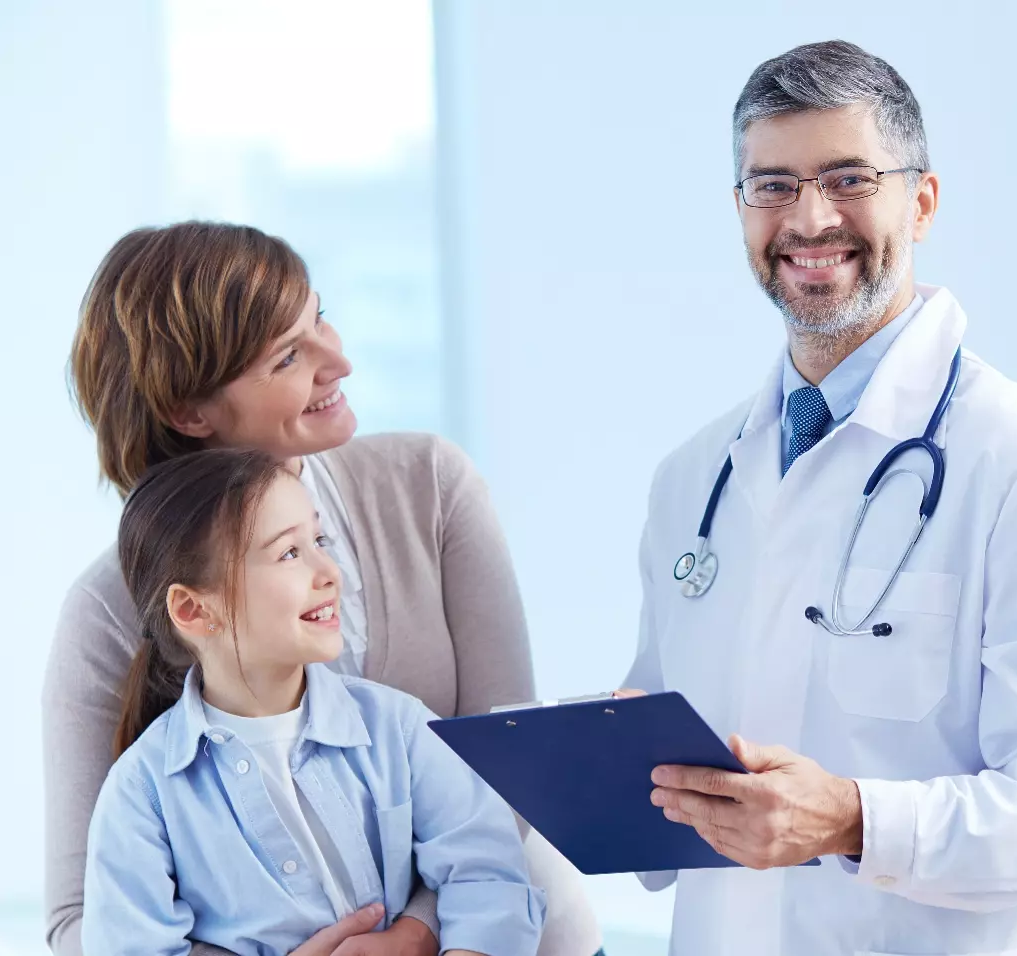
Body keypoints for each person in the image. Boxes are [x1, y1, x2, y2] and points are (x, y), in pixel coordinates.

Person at [623, 39, 1017, 955]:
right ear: (741, 209)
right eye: (773, 185)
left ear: (923, 201)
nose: (809, 218)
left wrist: (854, 820)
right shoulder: (692, 479)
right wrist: (606, 764)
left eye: (849, 178)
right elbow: (670, 760)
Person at [44, 222, 602, 956]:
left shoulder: (432, 485)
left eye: (320, 319)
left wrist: (414, 934)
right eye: (287, 355)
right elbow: (83, 918)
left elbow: (510, 779)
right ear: (190, 412)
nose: (339, 361)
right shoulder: (109, 613)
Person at [83, 448, 544, 956]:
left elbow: (487, 872)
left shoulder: (400, 727)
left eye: (319, 540)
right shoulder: (141, 793)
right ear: (193, 609)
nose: (329, 572)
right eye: (288, 553)